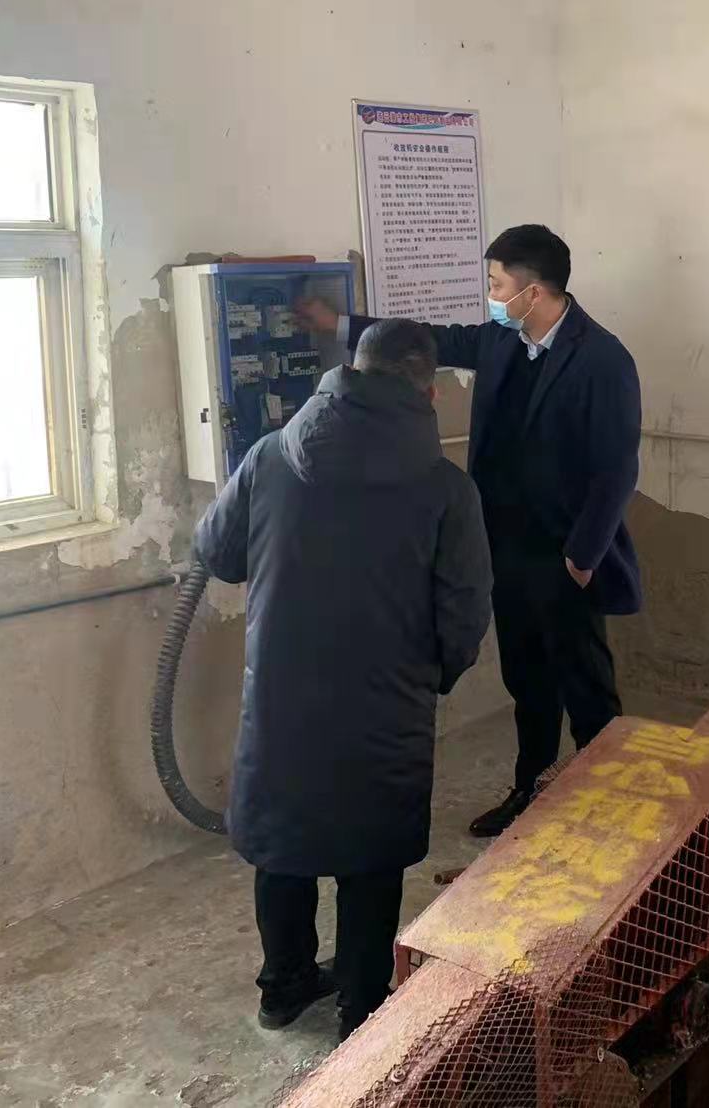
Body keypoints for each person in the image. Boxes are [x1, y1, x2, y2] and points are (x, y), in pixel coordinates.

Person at [193, 319, 492, 1041]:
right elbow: (465, 609)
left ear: (350, 369)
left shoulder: (271, 456)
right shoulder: (446, 489)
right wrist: (436, 675)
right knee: (371, 853)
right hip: (386, 702)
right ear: (428, 391)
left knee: (284, 842)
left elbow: (217, 553)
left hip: (282, 696)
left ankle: (283, 986)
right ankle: (361, 1005)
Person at [301, 224, 642, 838]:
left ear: (534, 292)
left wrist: (583, 557)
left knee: (585, 682)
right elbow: (431, 339)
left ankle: (608, 805)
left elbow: (616, 470)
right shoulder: (502, 338)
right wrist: (341, 325)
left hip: (565, 555)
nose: (491, 296)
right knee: (527, 679)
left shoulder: (603, 359)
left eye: (496, 284)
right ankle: (531, 789)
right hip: (503, 544)